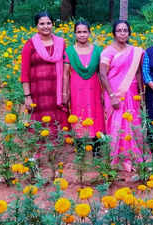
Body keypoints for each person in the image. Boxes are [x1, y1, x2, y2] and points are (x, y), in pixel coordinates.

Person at [99, 20, 144, 172]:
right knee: (116, 124)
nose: (123, 33)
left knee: (131, 123)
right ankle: (116, 158)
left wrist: (141, 93)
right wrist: (112, 96)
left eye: (125, 30)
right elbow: (103, 75)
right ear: (114, 33)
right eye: (119, 30)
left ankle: (131, 156)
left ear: (129, 33)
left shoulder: (135, 51)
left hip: (131, 93)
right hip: (114, 92)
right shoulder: (108, 51)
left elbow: (138, 73)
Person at [20, 12, 69, 140]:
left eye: (48, 23)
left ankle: (58, 153)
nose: (46, 26)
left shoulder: (60, 43)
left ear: (53, 25)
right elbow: (24, 73)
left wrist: (65, 92)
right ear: (36, 26)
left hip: (56, 92)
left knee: (58, 124)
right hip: (37, 94)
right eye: (42, 23)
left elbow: (65, 68)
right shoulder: (30, 44)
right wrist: (27, 96)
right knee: (39, 127)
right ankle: (40, 153)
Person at [62, 21, 105, 156]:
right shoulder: (69, 51)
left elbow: (101, 73)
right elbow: (65, 74)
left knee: (95, 113)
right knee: (78, 113)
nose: (82, 35)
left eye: (84, 32)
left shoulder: (98, 50)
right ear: (75, 34)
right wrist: (64, 92)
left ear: (89, 33)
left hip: (94, 87)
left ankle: (96, 150)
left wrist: (104, 92)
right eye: (79, 32)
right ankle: (80, 150)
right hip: (76, 88)